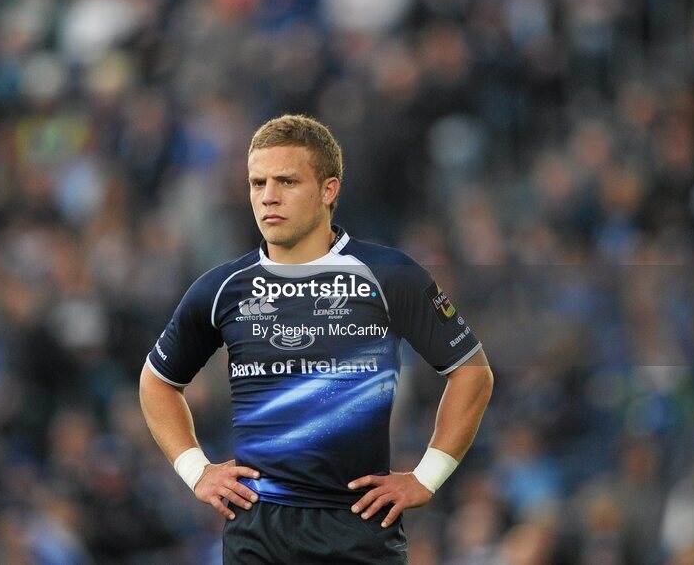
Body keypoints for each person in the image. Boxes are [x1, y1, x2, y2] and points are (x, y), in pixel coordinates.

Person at [140, 115, 493, 563]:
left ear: (329, 190)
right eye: (257, 182)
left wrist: (427, 476)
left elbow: (471, 373)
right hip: (257, 533)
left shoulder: (389, 276)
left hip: (359, 529)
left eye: (286, 181)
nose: (268, 196)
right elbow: (157, 382)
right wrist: (196, 471)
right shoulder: (222, 288)